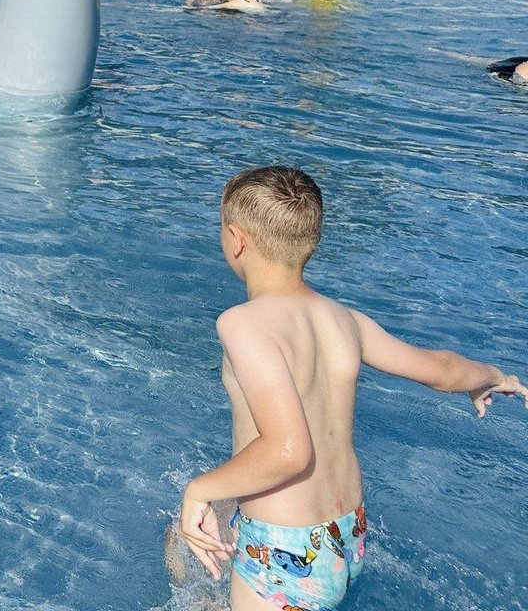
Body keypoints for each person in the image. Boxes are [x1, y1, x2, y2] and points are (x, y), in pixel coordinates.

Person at [178, 166, 523, 611]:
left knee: (197, 507)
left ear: (236, 239)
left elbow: (288, 451)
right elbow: (440, 369)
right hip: (345, 534)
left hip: (283, 549)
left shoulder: (242, 324)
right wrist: (494, 376)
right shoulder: (345, 320)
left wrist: (198, 490)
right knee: (182, 536)